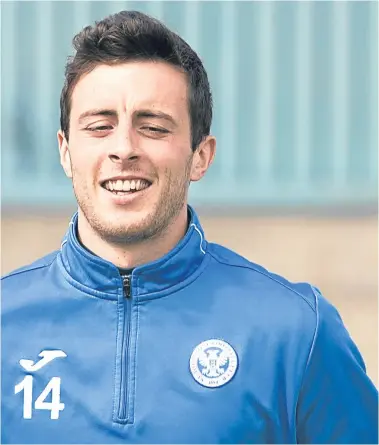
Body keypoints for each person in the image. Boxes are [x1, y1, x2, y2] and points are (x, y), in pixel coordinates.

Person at [1, 10, 377, 444]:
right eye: (100, 127)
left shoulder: (295, 333)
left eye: (154, 127)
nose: (124, 148)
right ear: (66, 152)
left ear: (200, 155)